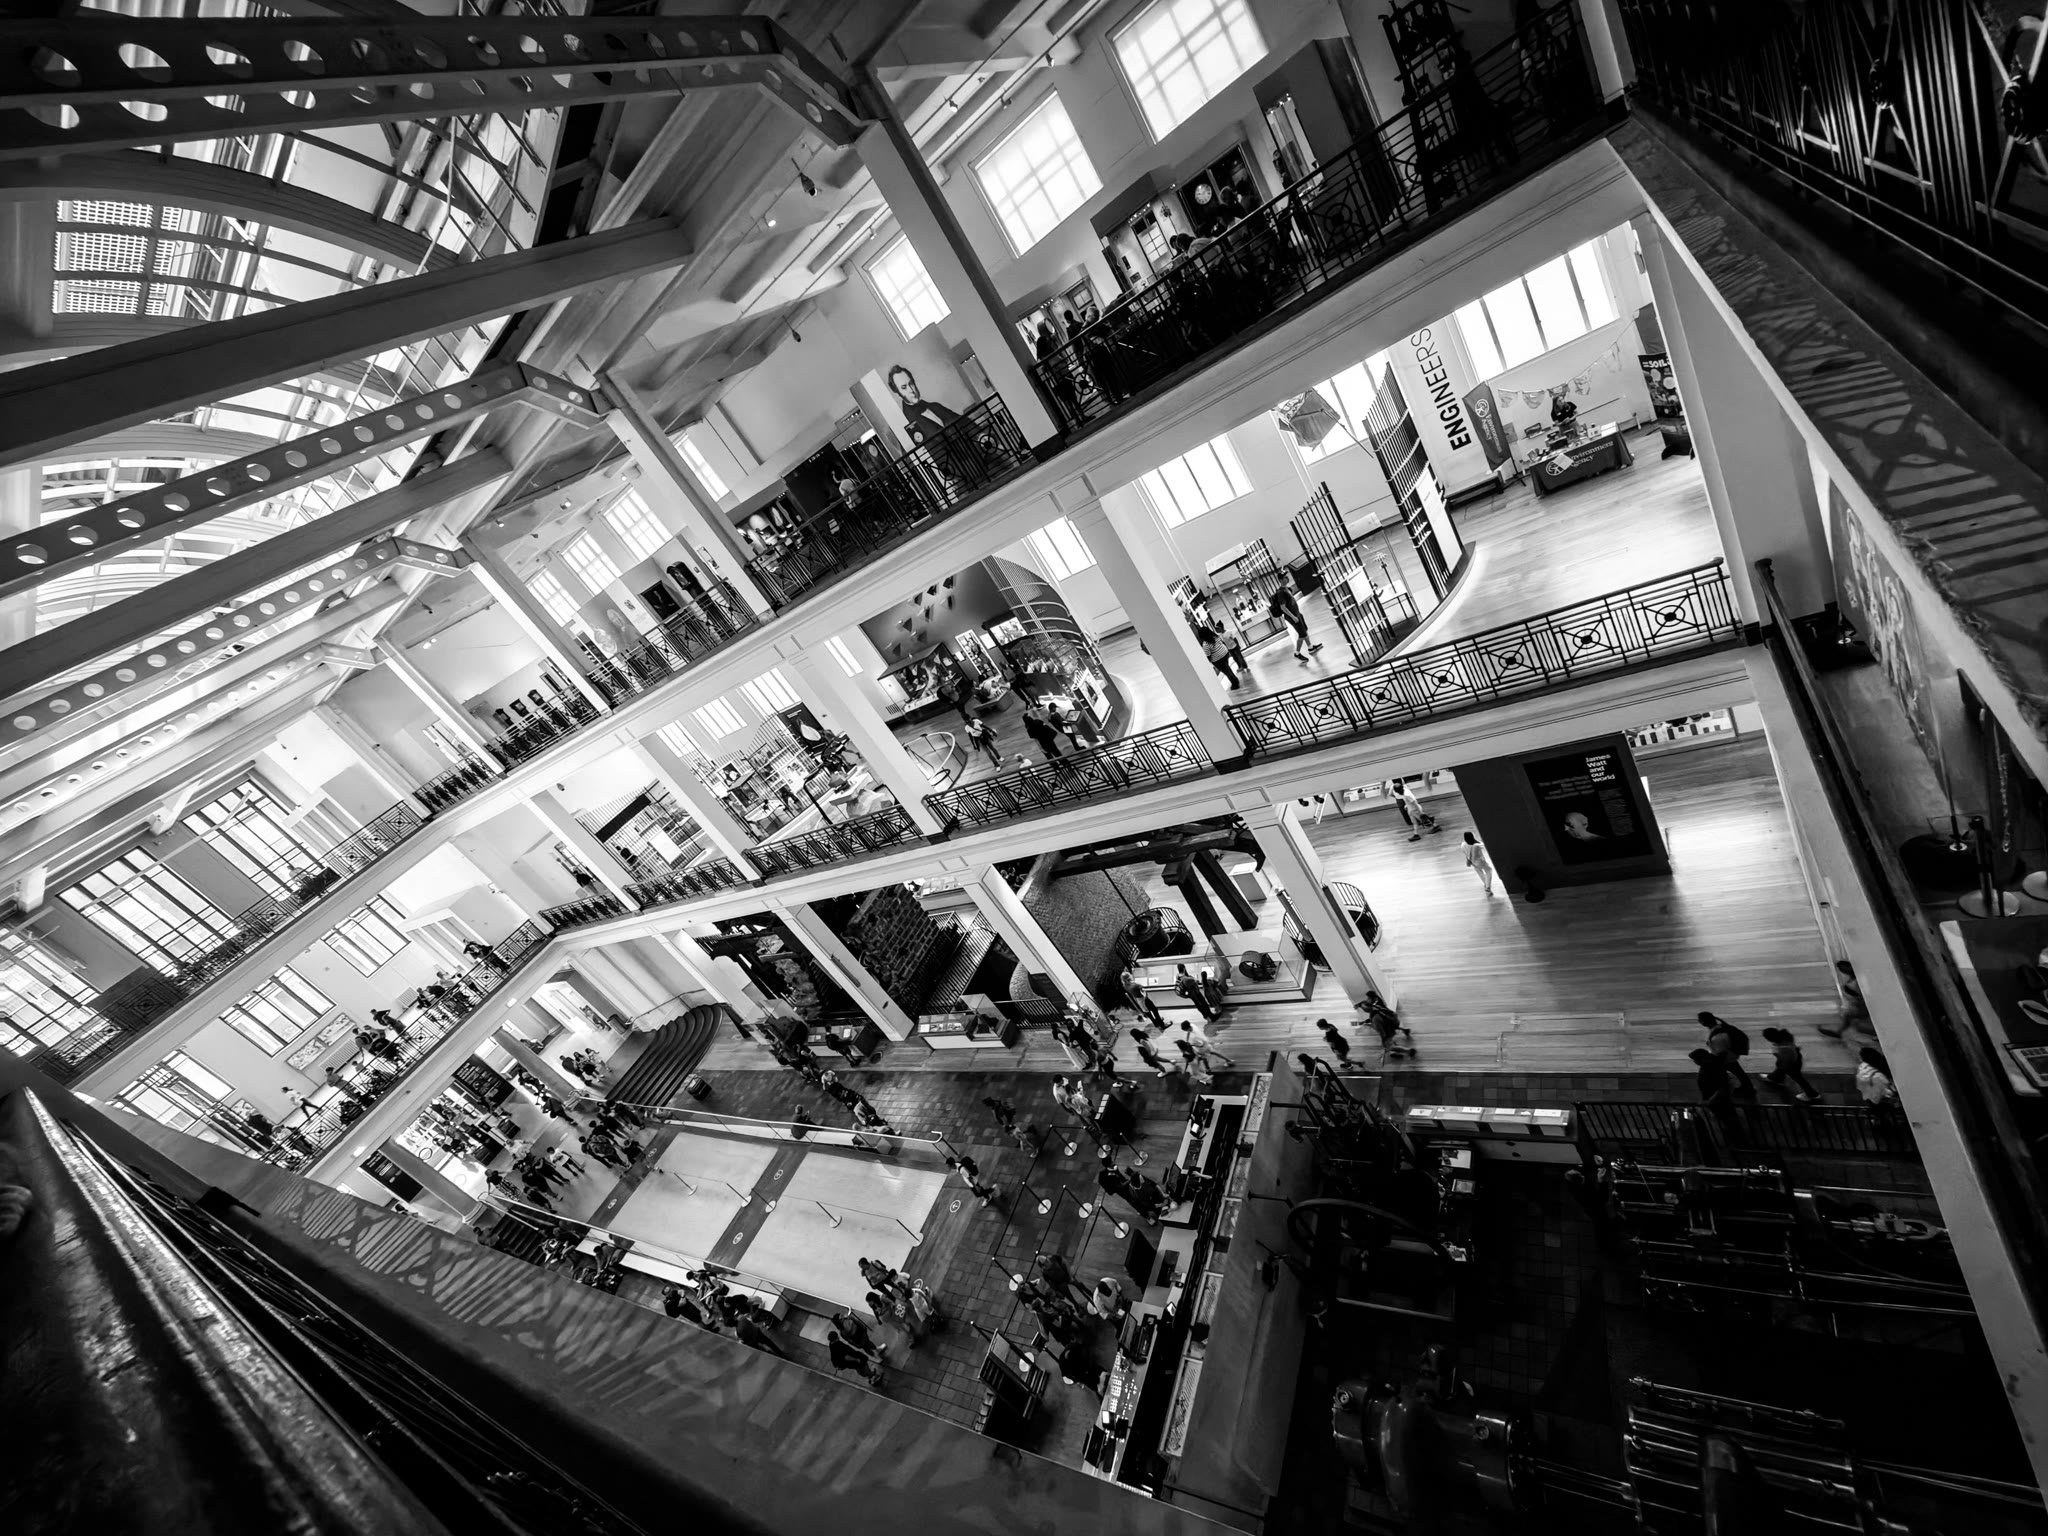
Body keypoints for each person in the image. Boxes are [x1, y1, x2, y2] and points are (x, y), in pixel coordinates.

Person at [1698, 1011, 1756, 1098]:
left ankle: (1727, 1090)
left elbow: (1721, 1052)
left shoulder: (1718, 1036)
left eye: (1700, 1020)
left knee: (1727, 1074)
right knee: (1739, 1072)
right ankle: (1748, 1087)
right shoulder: (1720, 1028)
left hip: (1725, 1059)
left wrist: (1717, 1063)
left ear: (1704, 1022)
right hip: (1730, 1056)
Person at [1760, 1027, 1821, 1104]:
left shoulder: (1783, 1048)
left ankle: (1812, 1094)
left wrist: (1778, 1058)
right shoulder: (1785, 1036)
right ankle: (1775, 1078)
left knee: (1798, 1078)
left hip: (1792, 1064)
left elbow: (1785, 1061)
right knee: (1782, 1070)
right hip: (1796, 1058)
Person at [1267, 583, 1321, 661]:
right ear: (1281, 580)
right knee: (1302, 635)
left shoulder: (1287, 589)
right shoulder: (1281, 593)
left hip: (1297, 614)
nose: (1287, 578)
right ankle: (1297, 653)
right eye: (1285, 577)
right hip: (1293, 617)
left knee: (1304, 630)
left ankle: (1310, 647)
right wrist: (1293, 617)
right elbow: (1283, 607)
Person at [1690, 1046, 1739, 1124]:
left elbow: (1721, 1088)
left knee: (1726, 1118)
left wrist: (1710, 1100)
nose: (1694, 1062)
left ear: (1702, 1059)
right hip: (1713, 1098)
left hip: (1717, 1100)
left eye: (1695, 1060)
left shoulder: (1713, 1067)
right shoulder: (1709, 1064)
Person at [1358, 991, 1414, 1058]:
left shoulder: (1375, 1018)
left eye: (1368, 998)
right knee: (1390, 1039)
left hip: (1389, 1028)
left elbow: (1382, 1032)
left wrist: (1383, 1041)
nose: (1367, 1000)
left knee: (1388, 1046)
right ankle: (1395, 1050)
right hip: (1393, 1021)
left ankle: (1409, 1051)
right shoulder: (1377, 1003)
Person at [1461, 831, 1497, 896]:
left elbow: (1464, 852)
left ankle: (1486, 884)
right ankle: (1488, 887)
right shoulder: (1476, 845)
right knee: (1489, 870)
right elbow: (1482, 844)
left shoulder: (1463, 845)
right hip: (1480, 861)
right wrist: (1475, 840)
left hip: (1472, 862)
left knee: (1479, 872)